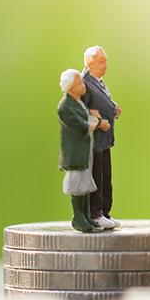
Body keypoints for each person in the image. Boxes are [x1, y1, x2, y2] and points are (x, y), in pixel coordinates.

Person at [57, 69, 109, 232]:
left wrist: (94, 118)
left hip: (85, 152)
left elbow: (88, 118)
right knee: (77, 185)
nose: (83, 85)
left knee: (86, 184)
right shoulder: (65, 107)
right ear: (71, 86)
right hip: (75, 154)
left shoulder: (79, 103)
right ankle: (78, 217)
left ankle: (86, 216)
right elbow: (81, 125)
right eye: (79, 83)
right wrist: (97, 122)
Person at [81, 45, 121, 229]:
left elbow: (102, 103)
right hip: (94, 140)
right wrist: (98, 121)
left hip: (105, 140)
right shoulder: (83, 84)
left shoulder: (100, 82)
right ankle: (95, 213)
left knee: (106, 177)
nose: (105, 65)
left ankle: (105, 211)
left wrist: (113, 109)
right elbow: (79, 112)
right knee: (96, 176)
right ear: (90, 63)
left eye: (106, 61)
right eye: (101, 61)